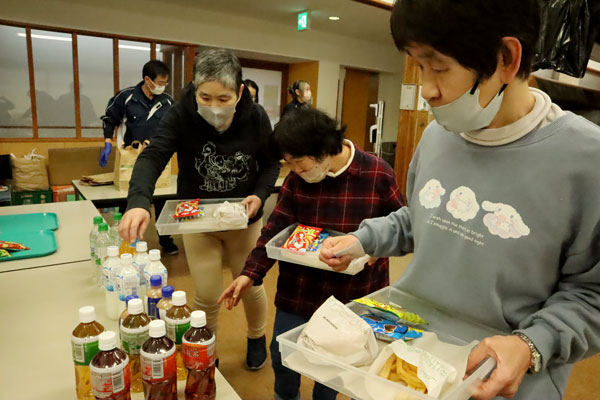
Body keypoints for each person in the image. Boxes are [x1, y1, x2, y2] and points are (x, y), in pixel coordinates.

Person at [320, 1, 600, 399]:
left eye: (438, 68)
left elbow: (592, 294)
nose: (426, 89)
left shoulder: (587, 160)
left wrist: (531, 344)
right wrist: (364, 239)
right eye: (418, 66)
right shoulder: (437, 135)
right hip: (411, 360)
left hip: (500, 383)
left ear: (506, 58)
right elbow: (422, 217)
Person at [218, 107, 404, 400]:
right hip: (301, 289)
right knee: (283, 355)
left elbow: (401, 227)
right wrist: (249, 274)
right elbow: (274, 229)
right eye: (288, 164)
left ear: (325, 148)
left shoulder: (377, 173)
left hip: (352, 293)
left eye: (300, 163)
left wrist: (372, 252)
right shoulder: (295, 181)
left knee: (332, 369)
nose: (294, 171)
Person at [119, 48, 280, 370]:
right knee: (206, 294)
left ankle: (256, 336)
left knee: (250, 285)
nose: (214, 107)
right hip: (196, 219)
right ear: (194, 88)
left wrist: (260, 196)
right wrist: (138, 202)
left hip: (243, 221)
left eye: (224, 99)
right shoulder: (180, 114)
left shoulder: (256, 117)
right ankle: (208, 351)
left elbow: (270, 163)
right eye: (205, 97)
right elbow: (153, 156)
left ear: (239, 92)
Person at [100, 60, 177, 254]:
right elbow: (109, 119)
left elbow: (173, 127)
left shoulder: (167, 101)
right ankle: (124, 237)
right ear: (147, 80)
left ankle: (166, 239)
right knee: (128, 198)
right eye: (159, 82)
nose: (162, 86)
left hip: (157, 156)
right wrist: (107, 143)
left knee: (161, 199)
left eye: (165, 83)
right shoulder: (126, 97)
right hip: (130, 155)